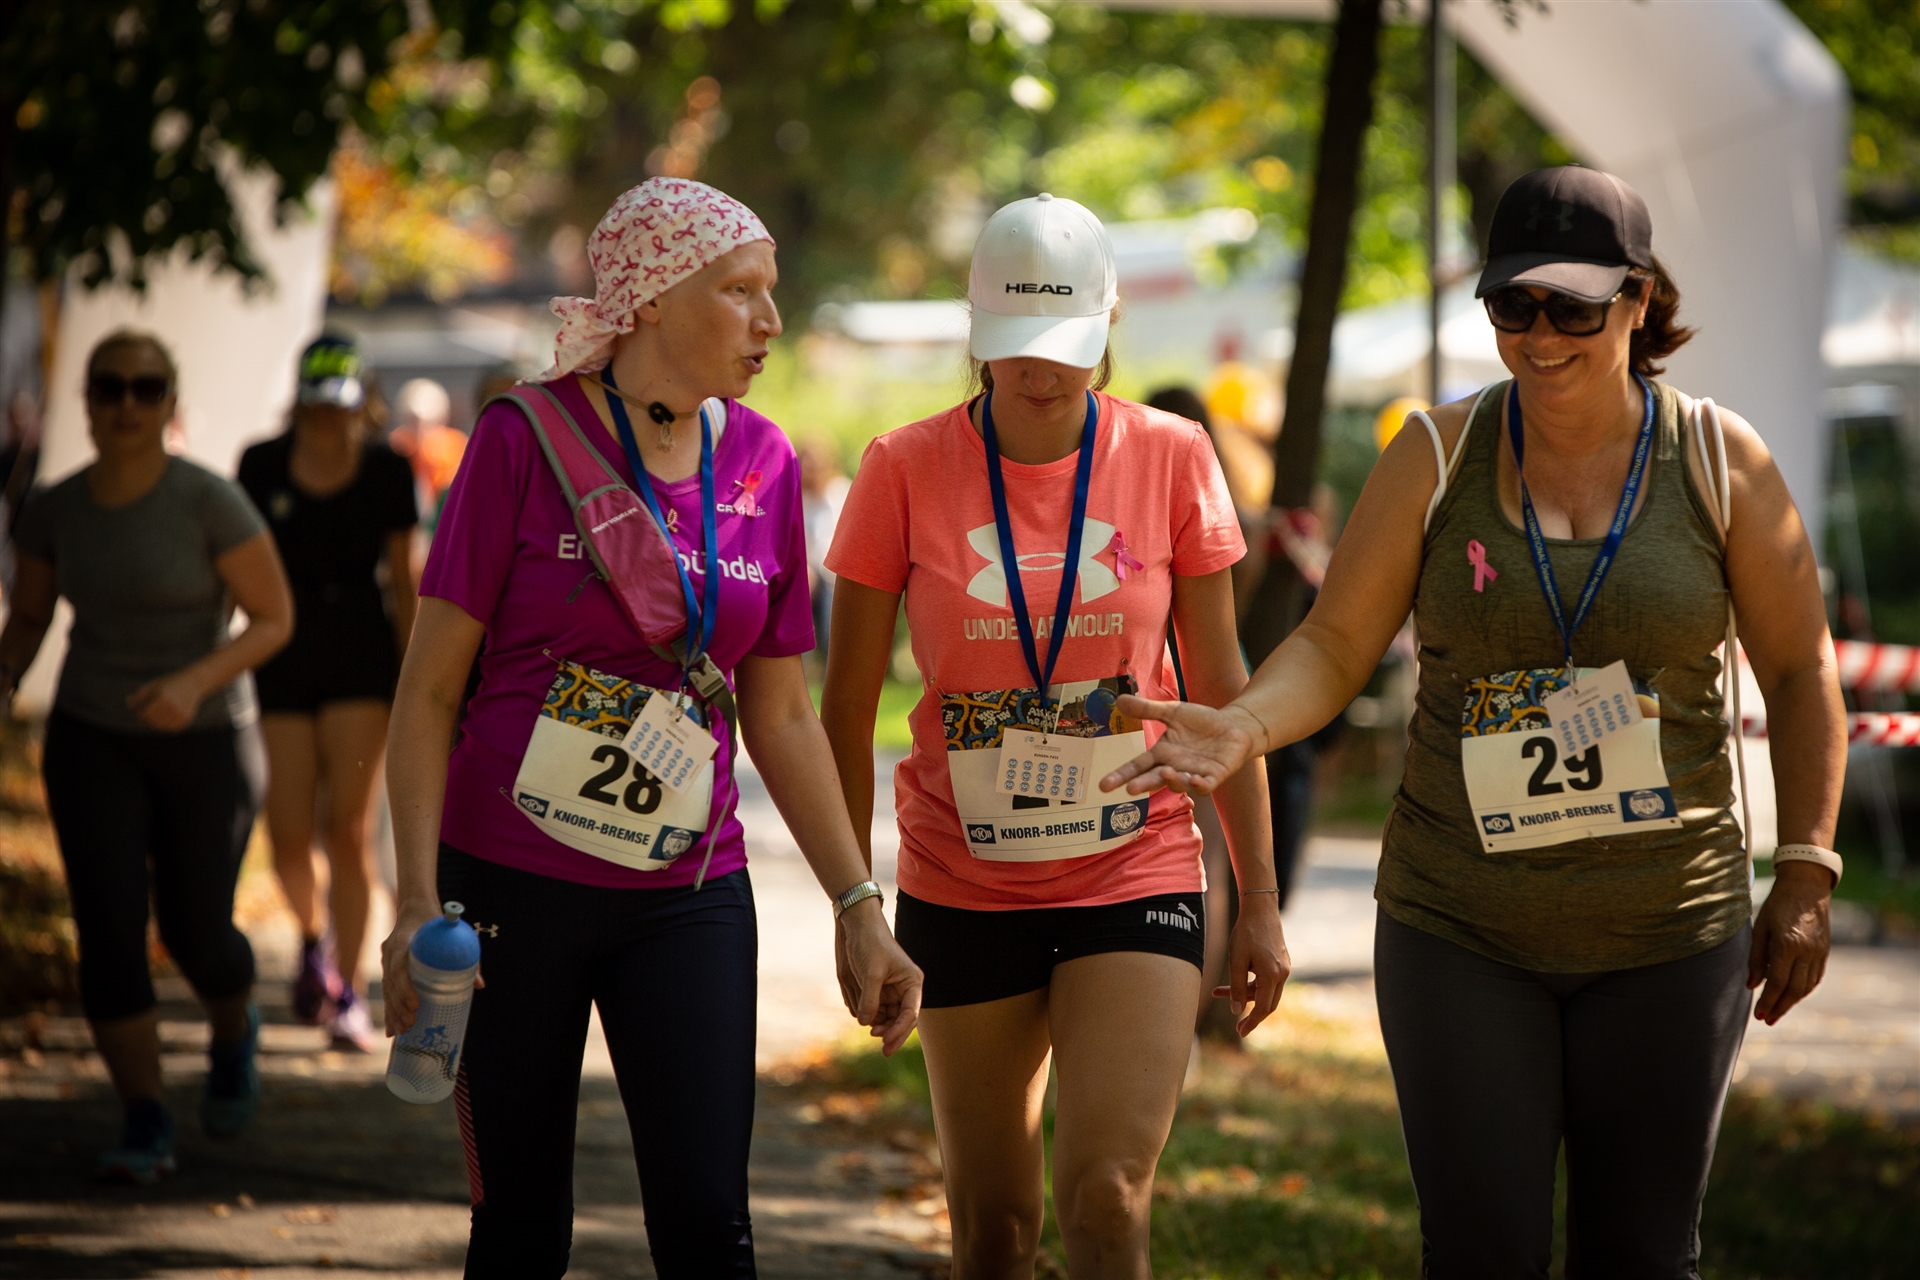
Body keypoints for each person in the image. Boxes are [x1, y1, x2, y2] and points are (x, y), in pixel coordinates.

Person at [1104, 166, 1845, 1275]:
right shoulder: (1435, 455)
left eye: (1573, 308)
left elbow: (1798, 670)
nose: (1539, 337)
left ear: (1639, 301)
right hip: (1462, 935)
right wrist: (1247, 723)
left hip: (1667, 938)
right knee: (1480, 1251)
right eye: (1513, 306)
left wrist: (1808, 867)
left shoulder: (1719, 459)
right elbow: (1333, 645)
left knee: (1643, 1255)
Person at [377, 177, 922, 1279]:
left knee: (711, 1225)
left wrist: (859, 904)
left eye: (772, 291)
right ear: (653, 299)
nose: (771, 320)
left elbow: (779, 710)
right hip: (509, 888)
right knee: (523, 1229)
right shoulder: (520, 440)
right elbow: (429, 692)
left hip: (688, 893)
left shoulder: (764, 461)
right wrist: (413, 903)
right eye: (741, 290)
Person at [821, 193, 1288, 1276]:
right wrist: (856, 905)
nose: (1038, 374)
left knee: (1109, 1194)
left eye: (1064, 347)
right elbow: (843, 703)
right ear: (977, 336)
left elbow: (1224, 687)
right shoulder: (902, 465)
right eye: (1014, 347)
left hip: (1135, 860)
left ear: (1110, 325)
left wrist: (1257, 899)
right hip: (962, 874)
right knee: (994, 1229)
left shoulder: (1173, 456)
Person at [0, 330, 294, 1181]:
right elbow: (30, 617)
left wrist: (194, 682)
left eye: (146, 388)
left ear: (171, 404)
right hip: (93, 737)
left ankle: (234, 1031)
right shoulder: (55, 506)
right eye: (110, 388)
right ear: (86, 403)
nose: (127, 404)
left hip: (206, 740)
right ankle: (145, 1116)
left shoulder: (209, 501)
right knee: (108, 930)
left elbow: (273, 620)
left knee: (198, 933)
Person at [238, 335, 419, 1051]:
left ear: (362, 404)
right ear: (298, 403)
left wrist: (419, 681)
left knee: (347, 829)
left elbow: (404, 580)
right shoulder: (260, 464)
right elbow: (235, 563)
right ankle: (312, 939)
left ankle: (348, 991)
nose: (325, 419)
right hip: (282, 645)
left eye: (338, 407)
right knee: (287, 833)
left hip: (359, 652)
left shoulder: (386, 468)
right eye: (314, 406)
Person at [798, 437, 849, 662]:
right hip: (807, 570)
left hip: (835, 571)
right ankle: (804, 666)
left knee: (832, 591)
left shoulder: (841, 492)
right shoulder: (799, 497)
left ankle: (833, 661)